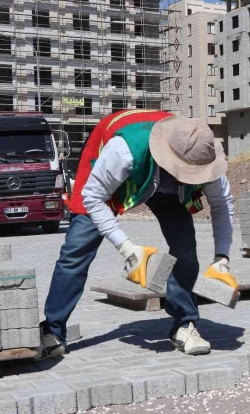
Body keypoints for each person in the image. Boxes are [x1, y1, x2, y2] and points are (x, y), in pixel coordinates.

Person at [38, 110, 235, 360]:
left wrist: (222, 258)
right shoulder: (123, 151)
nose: (190, 176)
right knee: (76, 253)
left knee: (185, 251)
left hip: (163, 182)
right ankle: (53, 331)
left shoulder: (203, 155)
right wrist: (127, 248)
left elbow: (222, 205)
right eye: (184, 171)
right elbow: (93, 198)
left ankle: (184, 324)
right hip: (115, 173)